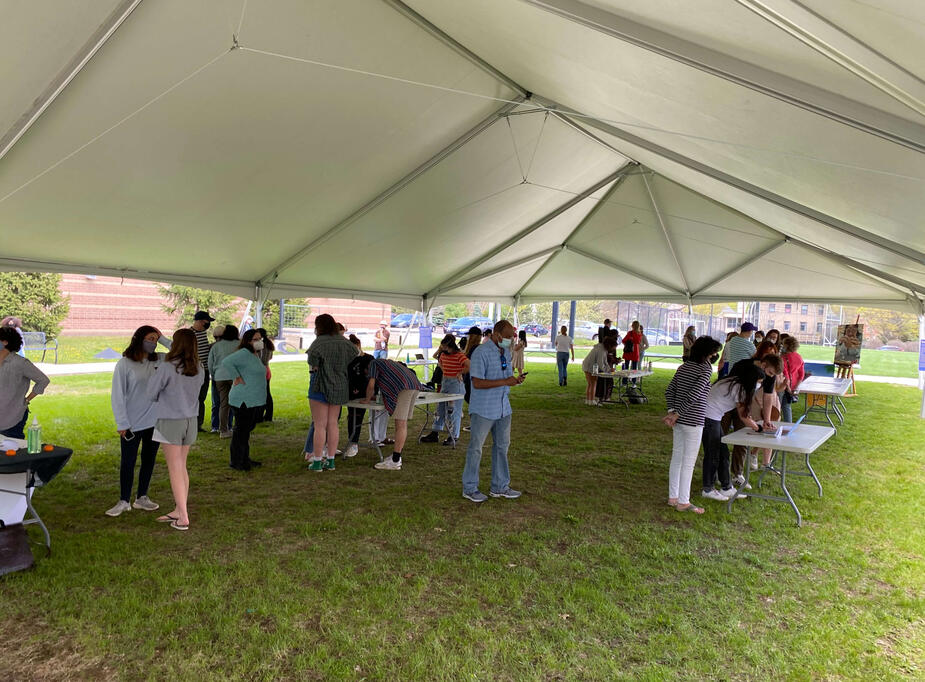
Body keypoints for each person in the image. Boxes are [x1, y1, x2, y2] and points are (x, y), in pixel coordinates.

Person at [106, 325, 171, 517]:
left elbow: (182, 352)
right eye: (149, 338)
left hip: (155, 421)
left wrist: (163, 338)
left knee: (149, 460)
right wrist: (122, 423)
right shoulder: (124, 364)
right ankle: (124, 500)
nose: (152, 343)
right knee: (128, 461)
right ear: (139, 339)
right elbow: (118, 395)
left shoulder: (160, 359)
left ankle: (142, 497)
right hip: (132, 423)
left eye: (154, 339)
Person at [147, 329, 203, 531]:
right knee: (182, 467)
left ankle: (183, 516)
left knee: (174, 468)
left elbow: (151, 394)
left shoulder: (166, 367)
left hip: (170, 421)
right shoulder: (199, 367)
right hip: (191, 421)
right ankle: (180, 510)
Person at [462, 320, 524, 503]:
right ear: (496, 335)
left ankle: (500, 486)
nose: (510, 341)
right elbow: (477, 383)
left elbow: (505, 377)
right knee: (476, 448)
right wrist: (506, 382)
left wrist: (514, 380)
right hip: (483, 409)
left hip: (504, 408)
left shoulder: (504, 352)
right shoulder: (481, 352)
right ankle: (470, 488)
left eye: (511, 338)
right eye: (507, 338)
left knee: (502, 447)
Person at [663, 336, 723, 513]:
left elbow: (669, 390)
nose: (714, 355)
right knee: (688, 462)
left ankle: (673, 497)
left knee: (677, 459)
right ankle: (683, 502)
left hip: (679, 421)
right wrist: (676, 414)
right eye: (713, 352)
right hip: (694, 421)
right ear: (707, 353)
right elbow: (694, 396)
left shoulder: (684, 367)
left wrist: (672, 412)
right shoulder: (705, 370)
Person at [700, 360, 764, 503]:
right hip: (709, 418)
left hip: (712, 418)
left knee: (723, 453)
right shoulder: (739, 388)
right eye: (757, 382)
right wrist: (759, 428)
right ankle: (708, 489)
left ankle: (726, 487)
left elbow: (744, 413)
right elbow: (744, 416)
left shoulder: (732, 381)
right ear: (750, 379)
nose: (758, 386)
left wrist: (755, 424)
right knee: (713, 455)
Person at [305, 314, 357, 472]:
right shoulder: (344, 341)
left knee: (320, 425)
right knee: (333, 423)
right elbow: (355, 352)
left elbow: (312, 362)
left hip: (320, 384)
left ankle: (317, 461)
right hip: (340, 384)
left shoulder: (319, 342)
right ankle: (331, 460)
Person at [362, 356, 425, 470]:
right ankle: (396, 456)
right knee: (402, 424)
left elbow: (371, 385)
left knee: (400, 425)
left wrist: (367, 399)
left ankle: (395, 460)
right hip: (414, 385)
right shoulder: (386, 363)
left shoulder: (373, 364)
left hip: (404, 388)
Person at [222, 329, 268, 471]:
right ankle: (236, 461)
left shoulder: (254, 354)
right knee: (241, 432)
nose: (259, 341)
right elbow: (226, 362)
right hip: (243, 400)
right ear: (248, 341)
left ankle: (244, 458)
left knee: (245, 431)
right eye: (255, 339)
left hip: (253, 399)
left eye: (260, 339)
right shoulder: (243, 353)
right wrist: (236, 376)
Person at [0, 326, 50, 439]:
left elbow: (43, 380)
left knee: (13, 452)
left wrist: (27, 400)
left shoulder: (20, 363)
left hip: (13, 416)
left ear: (5, 342)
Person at [421, 335, 469, 445]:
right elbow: (440, 363)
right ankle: (435, 432)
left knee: (454, 411)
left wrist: (460, 373)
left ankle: (453, 436)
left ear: (451, 346)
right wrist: (445, 371)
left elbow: (469, 365)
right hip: (445, 383)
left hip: (456, 385)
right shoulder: (443, 355)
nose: (443, 350)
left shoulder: (459, 355)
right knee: (440, 409)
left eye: (445, 348)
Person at [208, 325, 240, 439]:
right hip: (235, 376)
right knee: (238, 402)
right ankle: (239, 427)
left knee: (223, 404)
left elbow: (210, 363)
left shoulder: (216, 346)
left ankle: (223, 430)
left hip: (219, 377)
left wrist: (213, 374)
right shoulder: (239, 345)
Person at [344, 334, 371, 458]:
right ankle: (352, 441)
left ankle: (354, 442)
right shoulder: (348, 360)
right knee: (352, 416)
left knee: (358, 416)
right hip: (350, 392)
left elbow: (372, 377)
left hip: (365, 393)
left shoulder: (368, 358)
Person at [189, 311, 214, 431]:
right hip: (194, 371)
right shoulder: (189, 334)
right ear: (199, 321)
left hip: (205, 370)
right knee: (194, 398)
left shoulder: (203, 333)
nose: (208, 324)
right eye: (206, 322)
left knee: (201, 398)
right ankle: (191, 424)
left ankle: (198, 425)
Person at [582, 336, 616, 405]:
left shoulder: (602, 349)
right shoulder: (601, 350)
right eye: (613, 347)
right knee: (593, 383)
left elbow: (605, 362)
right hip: (590, 367)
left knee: (590, 384)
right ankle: (591, 401)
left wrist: (609, 369)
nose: (614, 349)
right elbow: (600, 363)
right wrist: (608, 370)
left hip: (587, 365)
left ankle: (588, 400)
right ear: (609, 345)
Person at [779, 336, 805, 423]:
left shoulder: (783, 358)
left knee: (777, 406)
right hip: (793, 385)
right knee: (787, 407)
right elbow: (801, 374)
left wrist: (788, 389)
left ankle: (775, 424)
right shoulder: (799, 357)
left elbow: (785, 375)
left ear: (786, 345)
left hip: (782, 385)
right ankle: (788, 426)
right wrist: (795, 387)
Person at [255, 328, 275, 423]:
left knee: (261, 394)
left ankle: (258, 416)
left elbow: (258, 359)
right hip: (267, 369)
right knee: (267, 393)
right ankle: (268, 415)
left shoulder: (260, 345)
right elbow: (270, 357)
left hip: (260, 370)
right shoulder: (269, 344)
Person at [208, 325, 225, 433]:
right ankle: (227, 425)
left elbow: (210, 363)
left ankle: (215, 426)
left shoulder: (212, 347)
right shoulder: (232, 346)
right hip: (229, 376)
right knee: (227, 402)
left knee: (216, 402)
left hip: (216, 377)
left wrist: (212, 375)